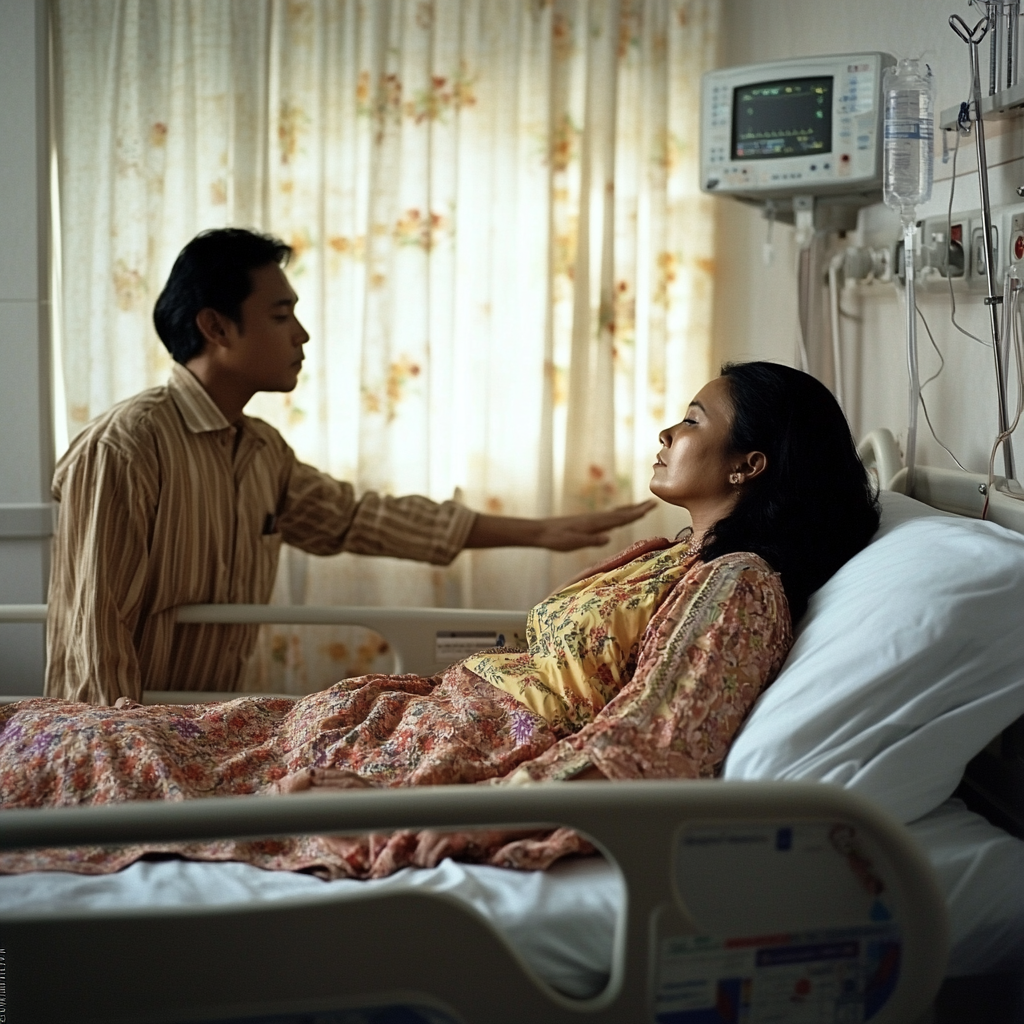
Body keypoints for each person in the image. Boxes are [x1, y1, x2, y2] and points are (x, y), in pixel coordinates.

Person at [3, 361, 880, 880]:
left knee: (104, 760)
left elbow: (658, 747)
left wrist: (445, 804)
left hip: (448, 756)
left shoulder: (737, 587)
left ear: (749, 463)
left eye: (692, 419)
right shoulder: (667, 560)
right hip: (403, 721)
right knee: (78, 735)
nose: (667, 428)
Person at [45, 229, 654, 705]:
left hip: (196, 718)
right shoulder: (125, 449)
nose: (302, 335)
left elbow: (363, 519)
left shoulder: (260, 451)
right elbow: (92, 637)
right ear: (215, 326)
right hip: (126, 728)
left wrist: (539, 533)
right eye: (281, 316)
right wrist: (117, 760)